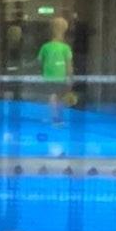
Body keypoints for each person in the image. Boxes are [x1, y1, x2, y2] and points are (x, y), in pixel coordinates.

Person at [38, 13, 75, 143]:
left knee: (52, 97)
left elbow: (40, 62)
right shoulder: (65, 48)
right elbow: (69, 65)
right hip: (60, 77)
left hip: (48, 76)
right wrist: (70, 77)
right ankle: (57, 118)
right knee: (58, 98)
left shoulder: (45, 47)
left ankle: (53, 117)